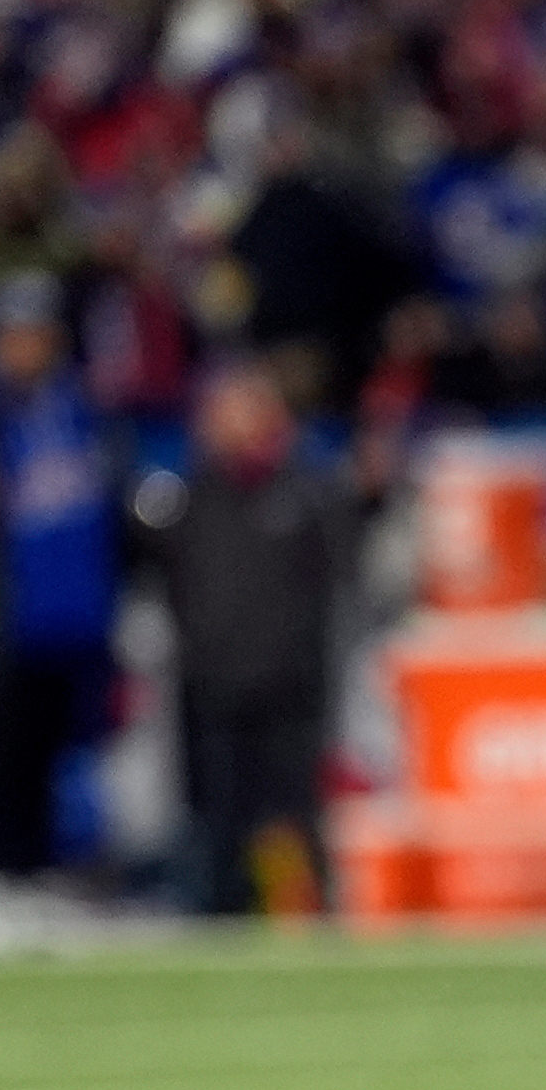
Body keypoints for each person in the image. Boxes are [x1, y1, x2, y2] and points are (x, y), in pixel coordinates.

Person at [136, 362, 351, 916]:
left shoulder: (309, 493)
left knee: (295, 817)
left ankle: (310, 918)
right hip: (211, 690)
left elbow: (338, 583)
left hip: (289, 692)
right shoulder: (187, 498)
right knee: (214, 823)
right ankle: (213, 921)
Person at [0, 276, 122, 886]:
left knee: (67, 759)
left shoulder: (84, 413)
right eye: (14, 336)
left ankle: (52, 874)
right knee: (2, 758)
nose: (25, 349)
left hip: (76, 621)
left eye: (37, 336)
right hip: (6, 619)